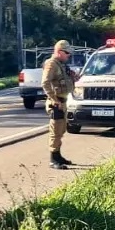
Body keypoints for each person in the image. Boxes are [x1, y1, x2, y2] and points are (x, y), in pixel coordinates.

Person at [41, 40, 80, 170]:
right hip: (56, 103)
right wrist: (54, 100)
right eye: (67, 53)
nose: (69, 55)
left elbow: (66, 79)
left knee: (61, 130)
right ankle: (53, 159)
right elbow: (45, 83)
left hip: (63, 101)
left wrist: (74, 77)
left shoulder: (61, 64)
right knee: (55, 131)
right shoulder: (52, 64)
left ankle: (58, 156)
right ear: (59, 52)